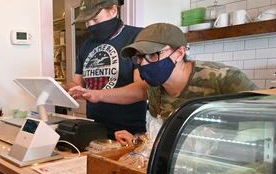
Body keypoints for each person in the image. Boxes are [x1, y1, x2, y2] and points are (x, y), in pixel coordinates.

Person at [106, 23, 257, 146]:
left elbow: (266, 124)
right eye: (139, 57)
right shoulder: (155, 89)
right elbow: (161, 136)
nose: (143, 64)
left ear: (179, 53)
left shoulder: (225, 79)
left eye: (152, 55)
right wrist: (136, 140)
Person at [66, 0, 147, 137]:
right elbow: (76, 81)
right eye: (86, 21)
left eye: (95, 19)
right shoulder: (87, 44)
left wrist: (98, 95)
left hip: (129, 132)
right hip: (93, 129)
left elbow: (141, 90)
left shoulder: (137, 37)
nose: (90, 25)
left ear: (113, 10)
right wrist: (70, 90)